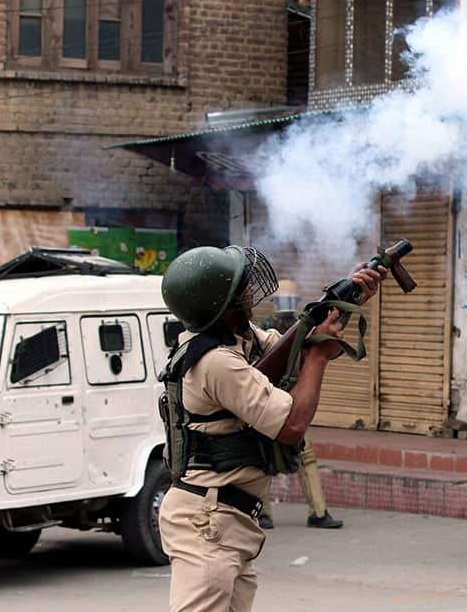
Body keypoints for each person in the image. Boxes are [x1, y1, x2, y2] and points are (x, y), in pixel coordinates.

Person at [157, 245, 384, 611]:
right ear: (222, 306)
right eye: (240, 288)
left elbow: (299, 345)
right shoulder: (216, 362)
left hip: (228, 520)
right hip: (207, 522)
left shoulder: (238, 340)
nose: (250, 291)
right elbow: (292, 425)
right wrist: (319, 358)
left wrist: (346, 300)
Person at [256, 280, 343, 530]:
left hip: (293, 397)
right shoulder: (265, 329)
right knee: (262, 456)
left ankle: (319, 512)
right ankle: (263, 513)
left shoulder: (302, 327)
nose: (287, 306)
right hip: (269, 398)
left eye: (290, 301)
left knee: (305, 454)